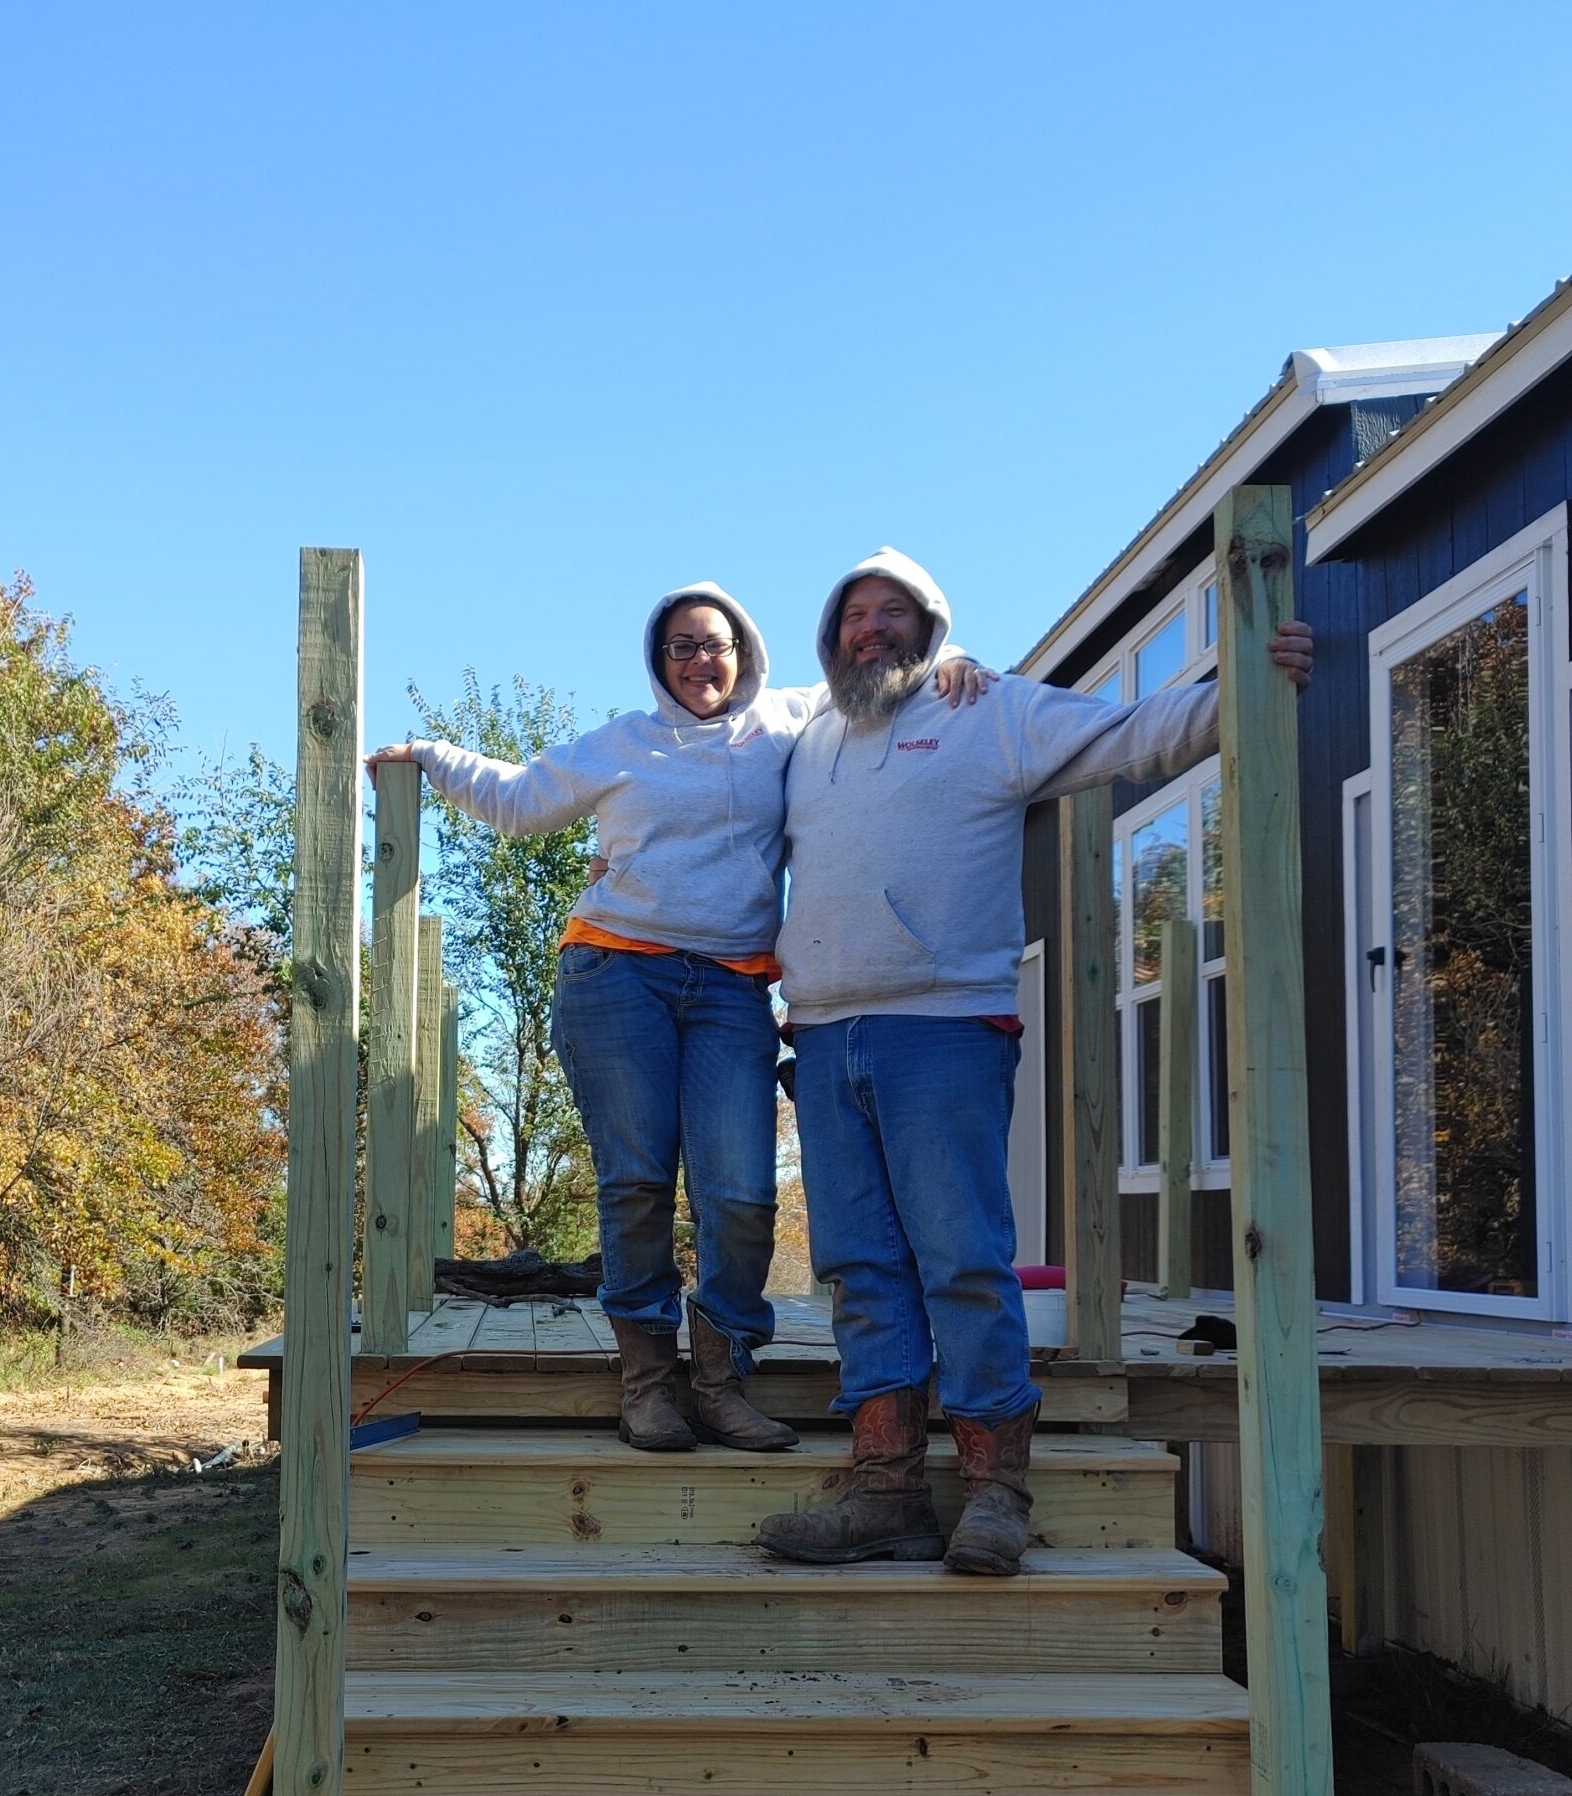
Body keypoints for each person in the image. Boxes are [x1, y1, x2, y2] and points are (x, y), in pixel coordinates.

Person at [757, 546, 1312, 1575]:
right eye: (852, 615)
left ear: (930, 627)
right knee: (863, 1269)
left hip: (944, 1027)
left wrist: (1247, 672)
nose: (869, 629)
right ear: (831, 636)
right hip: (826, 1035)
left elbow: (1128, 731)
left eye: (894, 614)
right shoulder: (808, 735)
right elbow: (722, 717)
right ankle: (884, 1492)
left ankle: (994, 1490)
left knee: (961, 1257)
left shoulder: (989, 711)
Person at [366, 584, 981, 1453]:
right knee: (639, 1185)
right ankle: (649, 1385)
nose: (700, 660)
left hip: (731, 988)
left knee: (739, 1193)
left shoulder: (787, 720)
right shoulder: (622, 744)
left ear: (746, 652)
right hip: (617, 974)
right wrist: (429, 753)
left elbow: (876, 672)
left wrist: (951, 666)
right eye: (681, 647)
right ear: (659, 662)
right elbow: (517, 798)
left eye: (716, 644)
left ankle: (724, 1382)